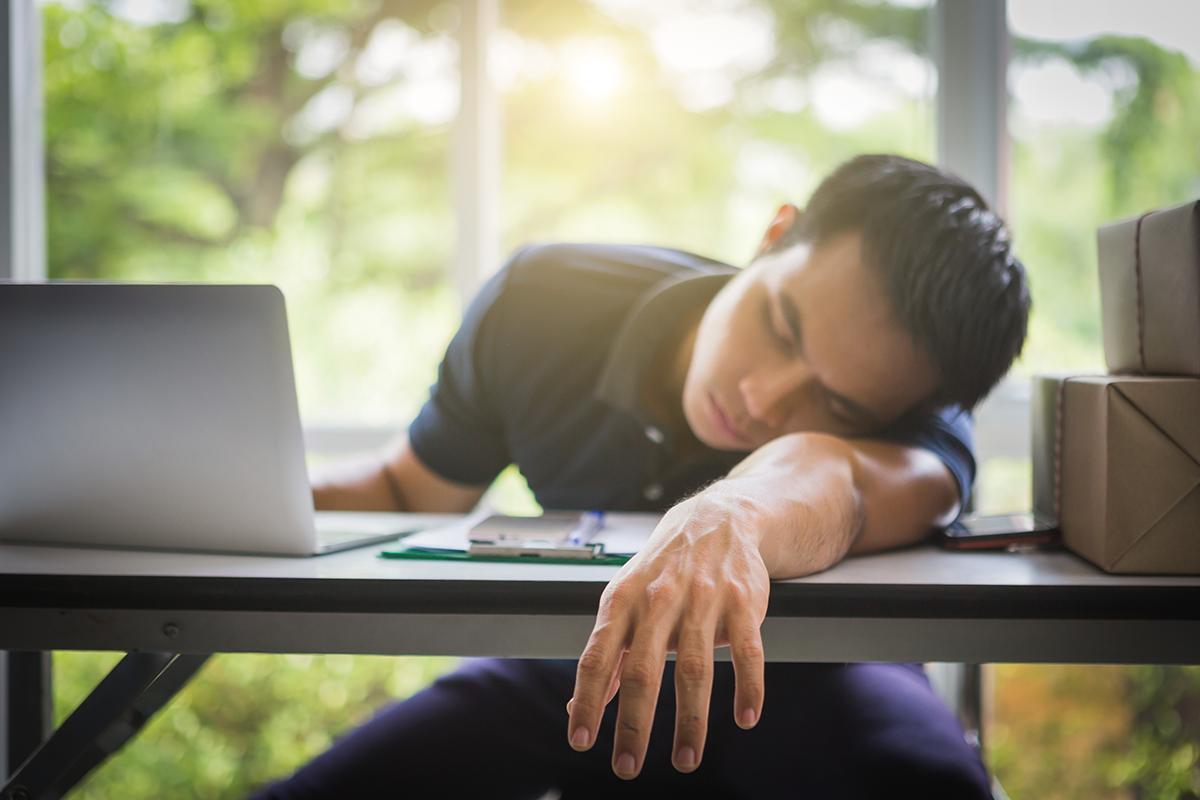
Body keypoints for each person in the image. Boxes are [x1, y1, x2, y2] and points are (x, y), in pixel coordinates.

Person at [255, 154, 1029, 798]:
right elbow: (407, 491)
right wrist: (210, 495)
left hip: (818, 670)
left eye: (832, 401)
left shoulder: (930, 432)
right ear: (775, 234)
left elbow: (843, 478)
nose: (763, 398)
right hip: (585, 657)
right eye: (779, 324)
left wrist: (730, 518)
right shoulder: (544, 305)